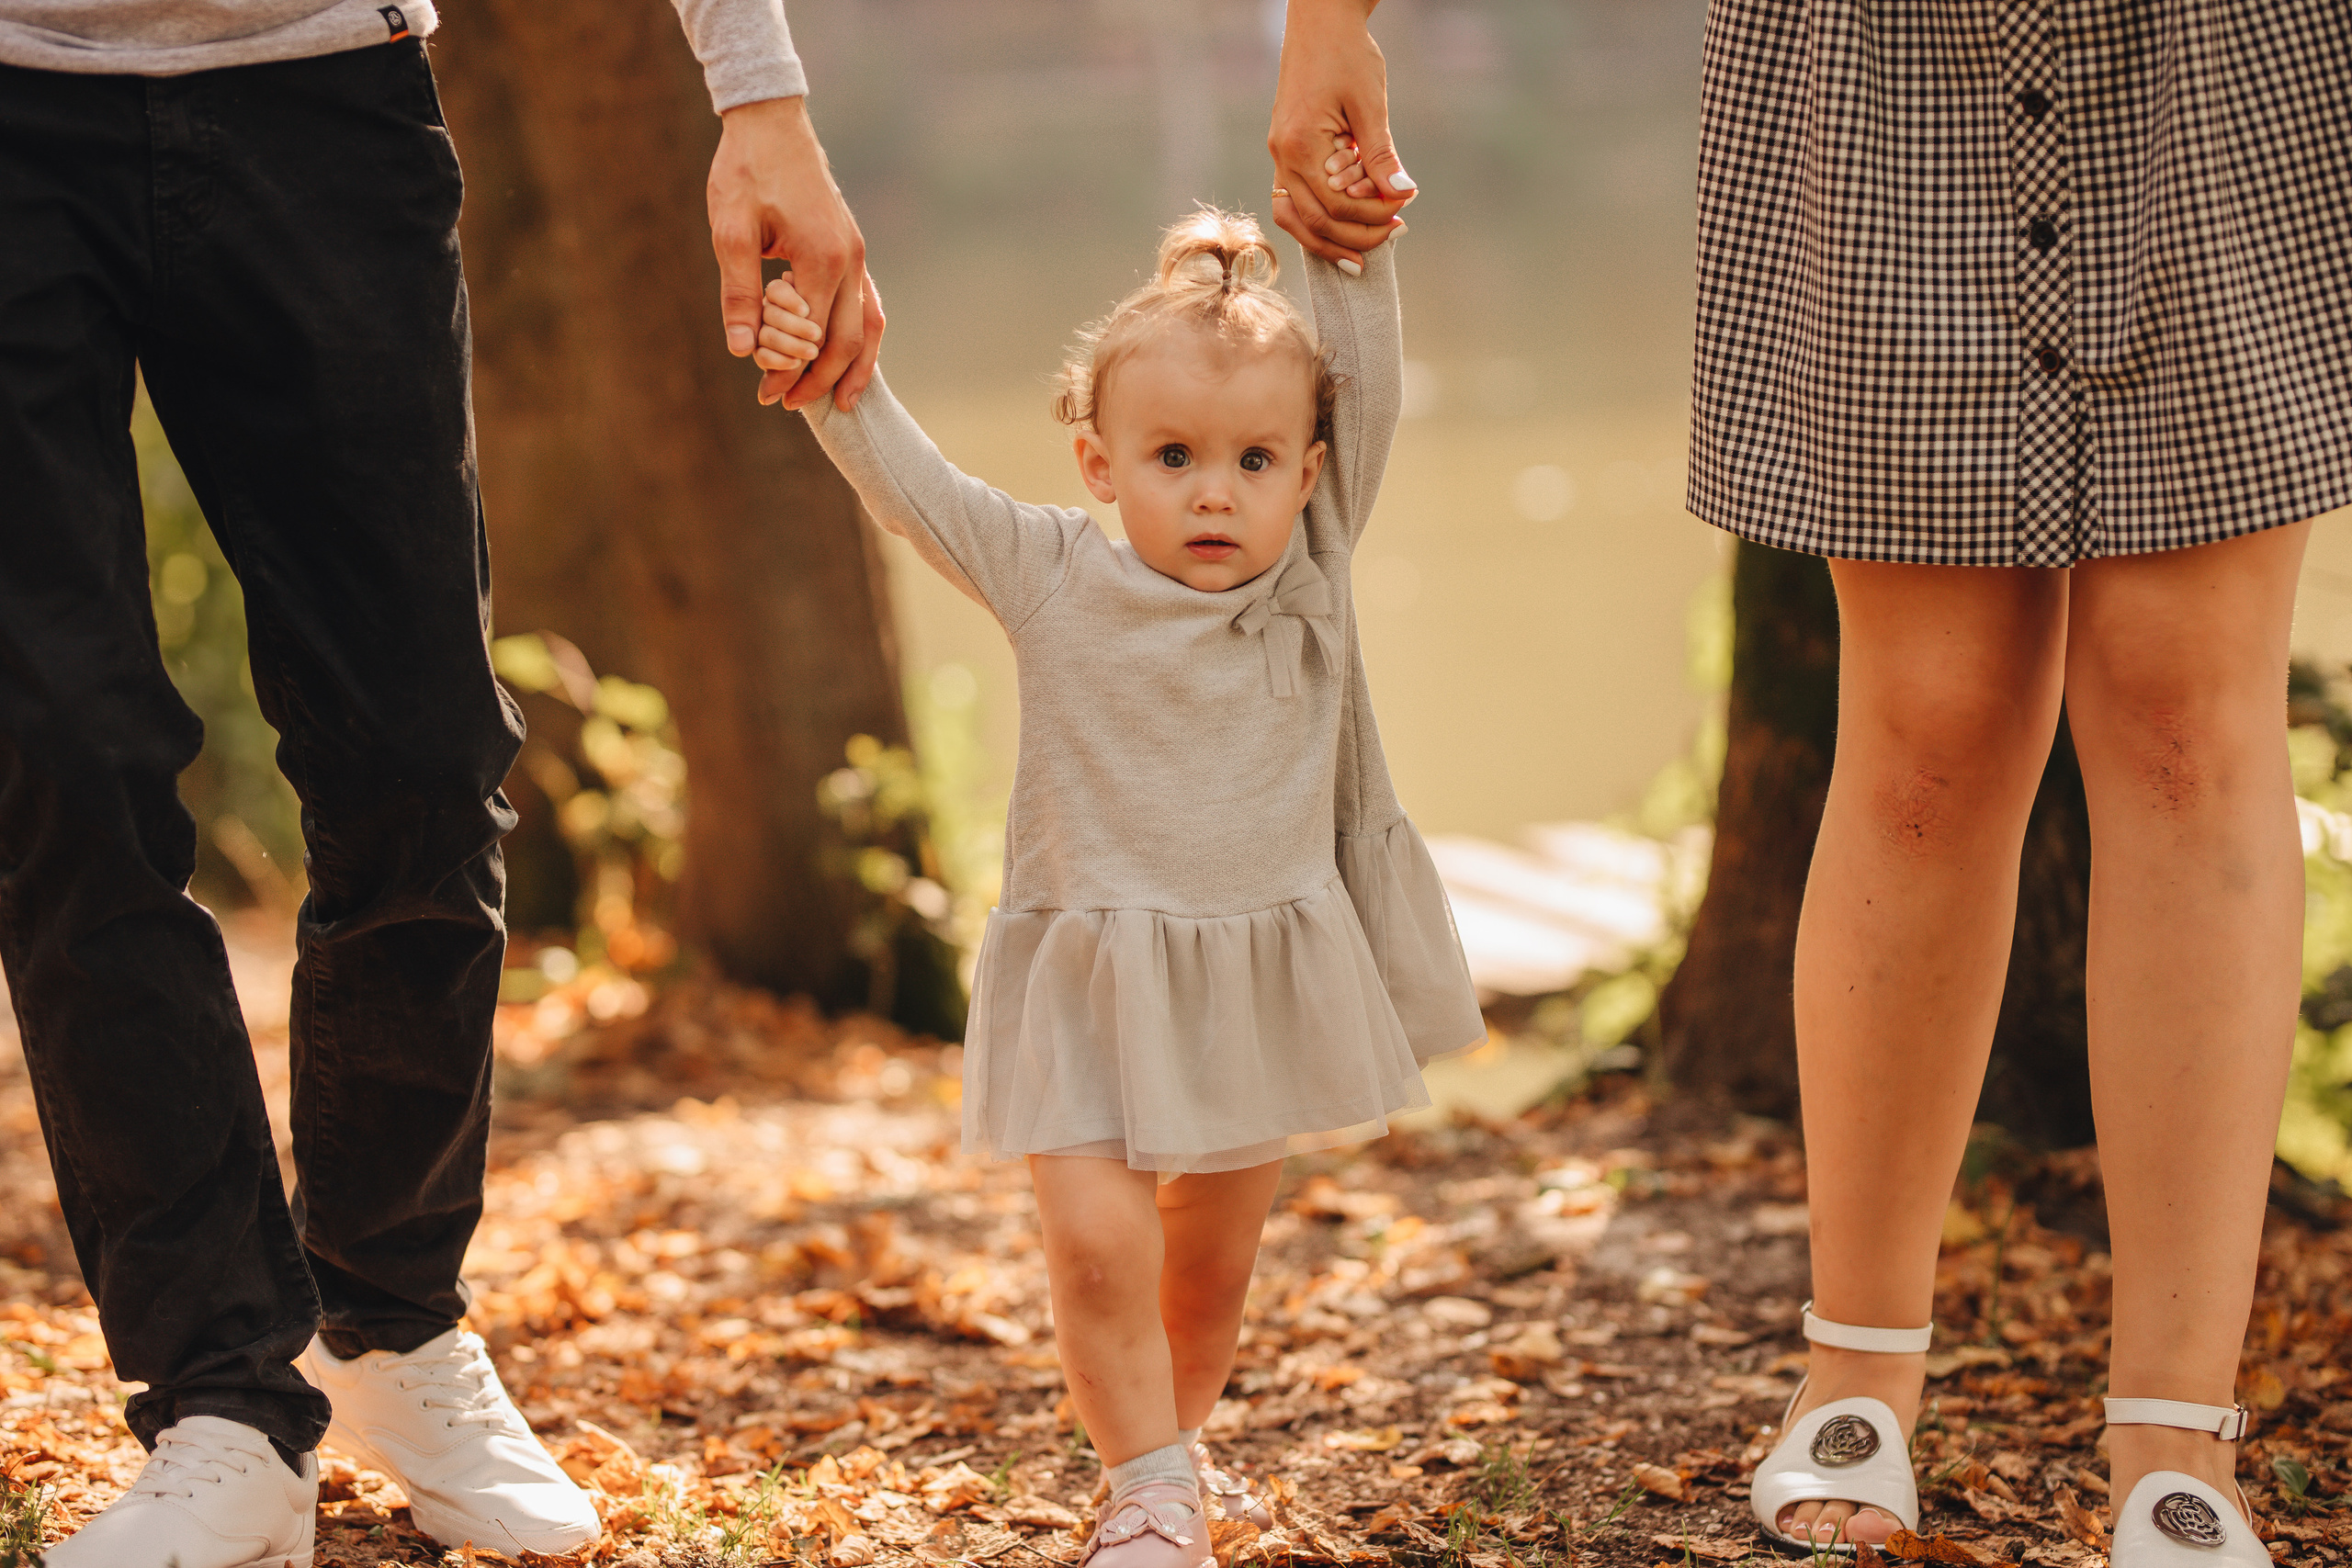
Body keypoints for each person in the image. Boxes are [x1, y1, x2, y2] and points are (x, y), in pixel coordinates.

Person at [1272, 3, 2352, 1566]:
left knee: (2189, 729)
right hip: (1875, 57)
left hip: (2227, 54)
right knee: (1927, 731)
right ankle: (1858, 1374)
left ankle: (2178, 1437)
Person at [0, 0, 874, 1562]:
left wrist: (764, 100)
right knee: (59, 769)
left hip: (323, 92)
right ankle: (221, 1406)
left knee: (416, 747)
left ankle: (389, 1326)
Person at [762, 197, 1481, 1566]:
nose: (1217, 491)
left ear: (1313, 472)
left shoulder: (1308, 572)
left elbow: (1364, 371)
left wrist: (1351, 231)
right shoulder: (1050, 575)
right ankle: (1146, 1493)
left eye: (1256, 459)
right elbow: (911, 488)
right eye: (1172, 457)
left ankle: (1176, 1455)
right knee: (1099, 1254)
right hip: (1089, 984)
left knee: (1205, 1278)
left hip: (1244, 996)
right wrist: (825, 376)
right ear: (1098, 464)